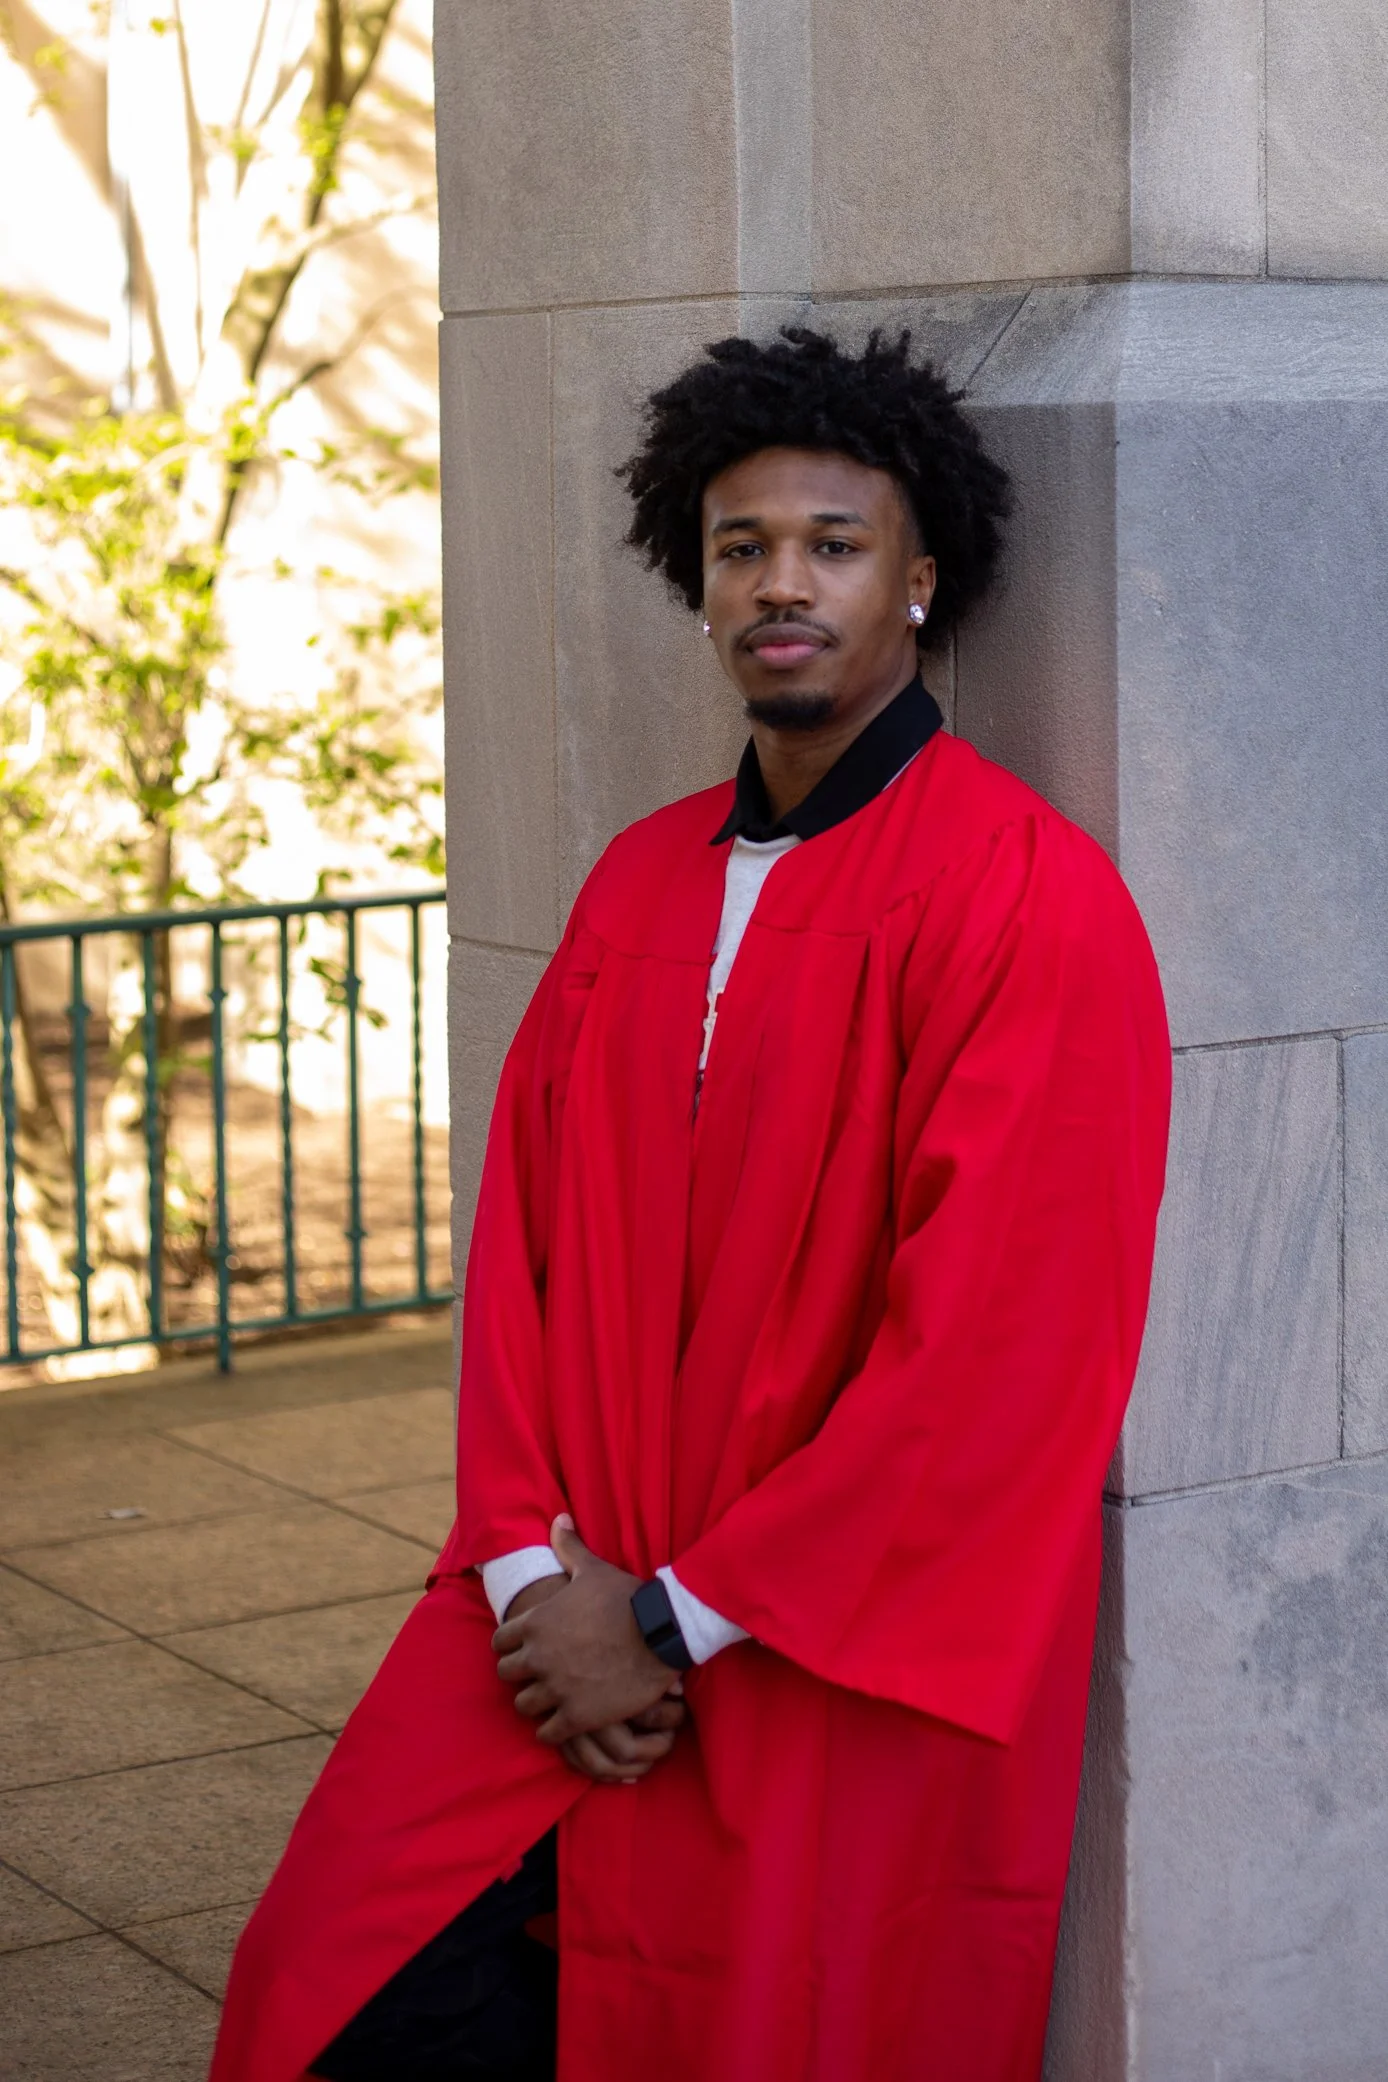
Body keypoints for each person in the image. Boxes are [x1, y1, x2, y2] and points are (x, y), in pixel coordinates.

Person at [210, 328, 1171, 2082]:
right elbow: (521, 1260)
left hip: (817, 1640)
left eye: (833, 541)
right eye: (743, 546)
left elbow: (996, 1364)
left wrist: (666, 1621)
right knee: (323, 1979)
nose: (781, 583)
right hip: (553, 1602)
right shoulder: (636, 880)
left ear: (920, 576)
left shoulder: (1024, 900)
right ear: (698, 577)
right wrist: (531, 1571)